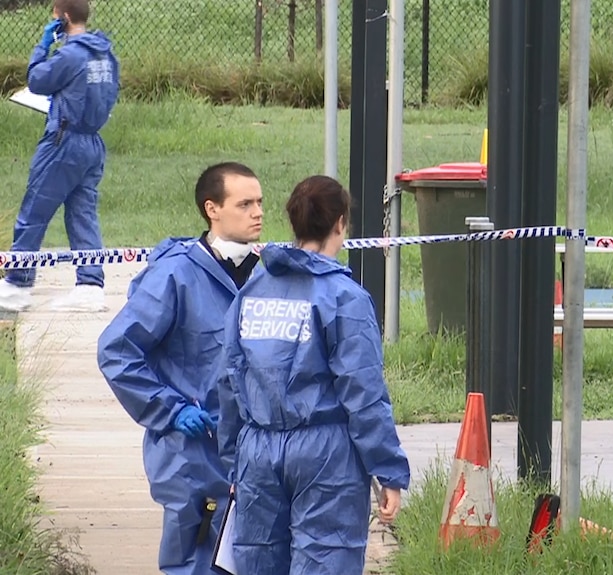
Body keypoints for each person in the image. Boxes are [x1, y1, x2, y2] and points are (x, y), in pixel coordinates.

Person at [217, 175, 410, 575]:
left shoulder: (253, 290)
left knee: (257, 560)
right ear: (340, 223)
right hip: (326, 454)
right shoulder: (344, 298)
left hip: (257, 448)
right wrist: (388, 469)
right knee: (327, 560)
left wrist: (234, 459)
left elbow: (230, 378)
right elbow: (364, 393)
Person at [97, 162, 264, 575]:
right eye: (244, 204)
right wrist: (171, 410)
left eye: (260, 202)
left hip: (255, 450)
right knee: (194, 562)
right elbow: (118, 350)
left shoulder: (267, 273)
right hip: (192, 453)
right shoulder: (175, 275)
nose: (258, 212)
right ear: (212, 209)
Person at [0, 0, 119, 313]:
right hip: (93, 142)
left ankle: (17, 284)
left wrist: (44, 43)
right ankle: (90, 285)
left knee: (35, 209)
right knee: (82, 213)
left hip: (63, 141)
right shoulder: (105, 54)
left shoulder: (70, 54)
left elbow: (37, 80)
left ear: (63, 18)